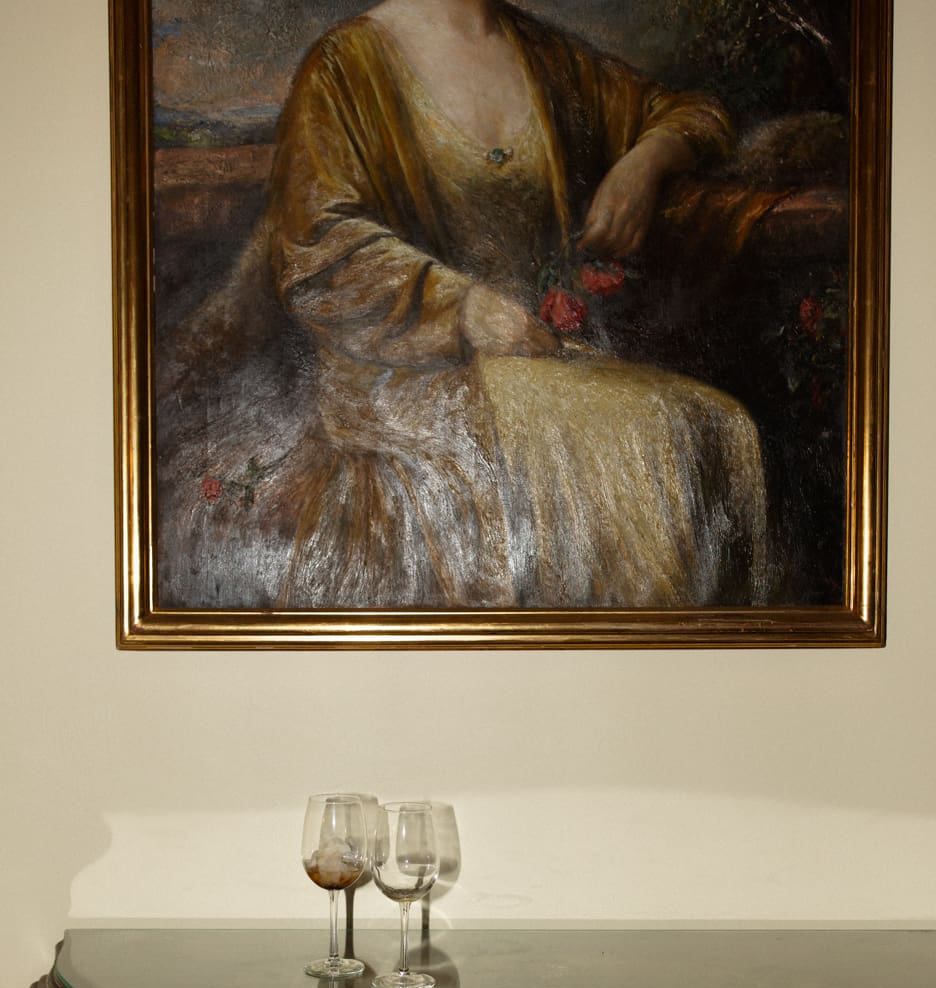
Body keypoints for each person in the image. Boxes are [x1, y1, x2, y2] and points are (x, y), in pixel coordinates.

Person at [162, 0, 772, 611]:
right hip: (404, 376)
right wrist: (463, 308)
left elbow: (699, 113)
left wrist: (646, 161)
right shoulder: (346, 67)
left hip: (536, 357)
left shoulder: (547, 58)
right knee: (655, 437)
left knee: (723, 427)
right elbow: (317, 244)